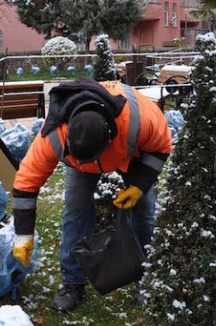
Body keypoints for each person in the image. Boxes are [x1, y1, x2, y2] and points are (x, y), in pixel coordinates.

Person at [11, 78, 172, 313]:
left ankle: (146, 277)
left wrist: (139, 185)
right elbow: (26, 182)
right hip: (83, 163)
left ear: (109, 139)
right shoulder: (54, 134)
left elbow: (162, 147)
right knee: (75, 211)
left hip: (129, 155)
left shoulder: (138, 118)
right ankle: (73, 284)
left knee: (145, 210)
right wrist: (23, 235)